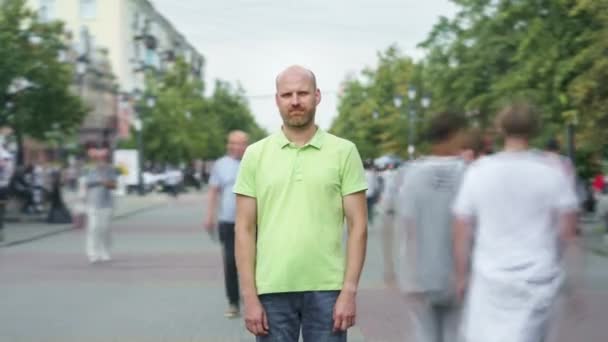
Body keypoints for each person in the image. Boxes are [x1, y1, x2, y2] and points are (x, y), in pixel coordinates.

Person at [233, 65, 368, 341]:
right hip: (271, 289)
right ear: (277, 100)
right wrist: (249, 296)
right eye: (287, 94)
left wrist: (349, 291)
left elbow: (359, 226)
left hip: (329, 289)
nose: (295, 101)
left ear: (317, 96)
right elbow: (244, 229)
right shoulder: (255, 155)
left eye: (303, 93)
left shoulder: (344, 152)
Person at [453, 103, 581, 342]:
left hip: (490, 277)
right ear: (535, 129)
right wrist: (567, 273)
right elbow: (568, 231)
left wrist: (461, 274)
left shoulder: (479, 172)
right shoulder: (553, 172)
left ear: (500, 129)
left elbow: (462, 229)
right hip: (538, 275)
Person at [395, 112, 468, 342]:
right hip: (461, 272)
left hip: (421, 273)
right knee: (456, 333)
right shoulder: (468, 173)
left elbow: (408, 226)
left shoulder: (411, 174)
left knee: (425, 334)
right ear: (455, 135)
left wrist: (407, 272)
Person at [204, 130, 249, 318]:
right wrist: (210, 216)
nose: (237, 147)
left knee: (254, 262)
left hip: (253, 222)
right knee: (230, 262)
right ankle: (233, 302)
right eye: (233, 143)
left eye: (241, 143)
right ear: (228, 145)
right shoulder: (220, 165)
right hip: (228, 222)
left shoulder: (255, 160)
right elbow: (214, 191)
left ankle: (254, 298)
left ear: (247, 145)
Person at [83, 146, 117, 263]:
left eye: (103, 157)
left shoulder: (110, 170)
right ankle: (92, 254)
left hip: (107, 203)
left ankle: (105, 251)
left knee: (105, 229)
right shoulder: (90, 170)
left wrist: (104, 181)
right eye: (98, 158)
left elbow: (113, 185)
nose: (100, 160)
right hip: (93, 203)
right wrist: (100, 181)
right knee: (93, 228)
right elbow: (86, 185)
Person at [0, 144, 14, 242]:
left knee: (1, 211)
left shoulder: (5, 163)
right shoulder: (10, 162)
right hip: (4, 188)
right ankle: (1, 232)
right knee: (1, 211)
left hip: (2, 188)